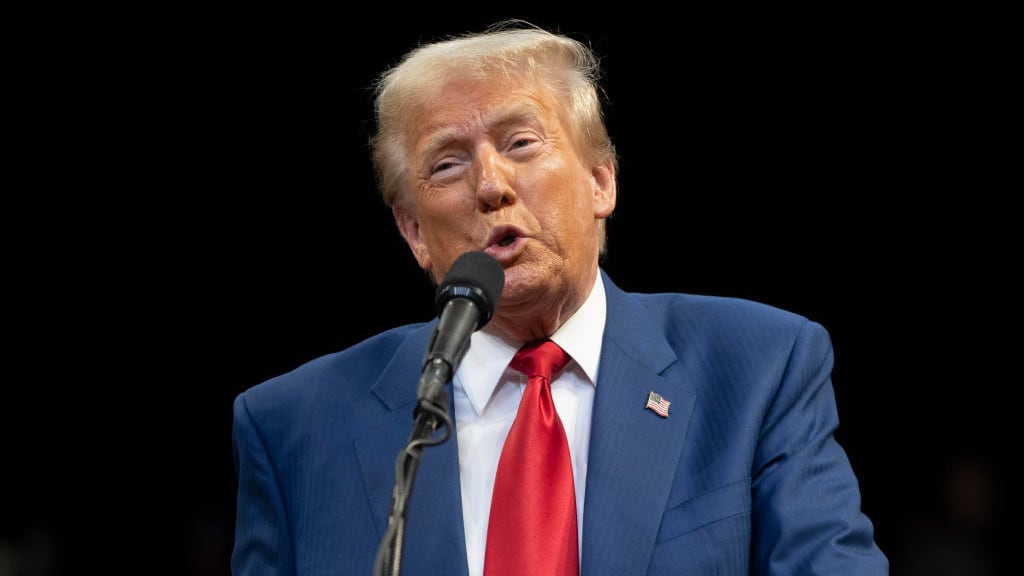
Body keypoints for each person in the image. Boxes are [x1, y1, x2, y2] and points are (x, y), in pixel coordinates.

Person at [230, 18, 889, 575]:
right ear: (413, 232)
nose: (491, 185)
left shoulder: (755, 370)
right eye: (447, 164)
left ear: (600, 182)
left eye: (521, 143)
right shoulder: (296, 426)